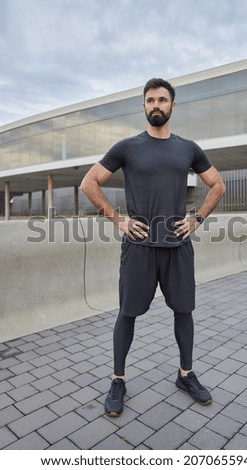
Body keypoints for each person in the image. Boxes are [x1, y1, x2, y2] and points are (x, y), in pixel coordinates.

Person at [80, 78, 225, 417]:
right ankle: (118, 379)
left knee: (184, 311)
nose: (156, 105)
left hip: (178, 246)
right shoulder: (127, 147)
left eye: (162, 100)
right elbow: (90, 183)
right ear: (143, 107)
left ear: (173, 106)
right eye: (150, 100)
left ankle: (185, 375)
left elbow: (217, 184)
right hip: (139, 248)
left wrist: (197, 219)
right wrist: (119, 220)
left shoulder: (188, 148)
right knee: (127, 313)